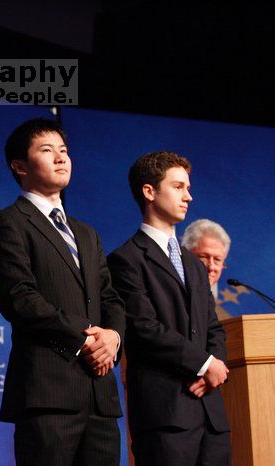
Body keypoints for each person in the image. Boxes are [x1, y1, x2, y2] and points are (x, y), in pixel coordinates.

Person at [0, 118, 125, 466]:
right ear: (19, 166)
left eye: (64, 151)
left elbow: (110, 298)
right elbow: (20, 299)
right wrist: (86, 338)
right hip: (48, 392)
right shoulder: (7, 223)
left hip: (100, 394)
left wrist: (114, 337)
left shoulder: (86, 233)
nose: (61, 158)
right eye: (47, 151)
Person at [107, 152, 230, 465]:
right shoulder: (126, 259)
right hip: (166, 415)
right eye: (178, 187)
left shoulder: (194, 264)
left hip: (210, 414)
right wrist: (203, 363)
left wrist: (214, 367)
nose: (188, 196)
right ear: (149, 192)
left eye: (187, 188)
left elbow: (212, 327)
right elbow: (143, 328)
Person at [182, 218, 231, 299]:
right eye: (204, 257)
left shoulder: (210, 299)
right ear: (185, 256)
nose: (211, 267)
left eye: (217, 259)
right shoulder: (172, 293)